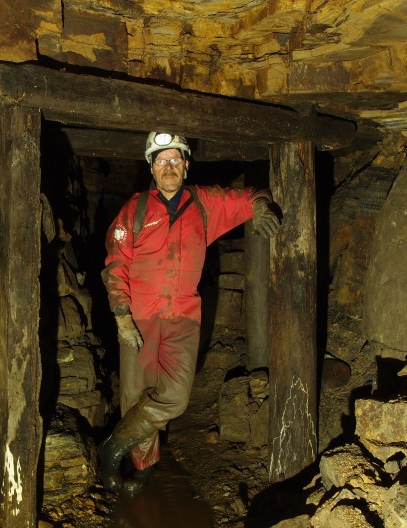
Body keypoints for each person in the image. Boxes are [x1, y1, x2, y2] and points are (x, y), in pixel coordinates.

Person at [99, 131, 281, 494]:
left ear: (186, 165)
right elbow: (116, 264)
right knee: (136, 396)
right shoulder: (133, 210)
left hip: (183, 316)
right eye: (161, 161)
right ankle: (143, 469)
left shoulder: (204, 203)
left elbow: (249, 196)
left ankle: (111, 449)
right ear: (152, 167)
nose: (169, 167)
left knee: (175, 397)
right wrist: (121, 315)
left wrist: (260, 205)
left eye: (175, 160)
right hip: (140, 317)